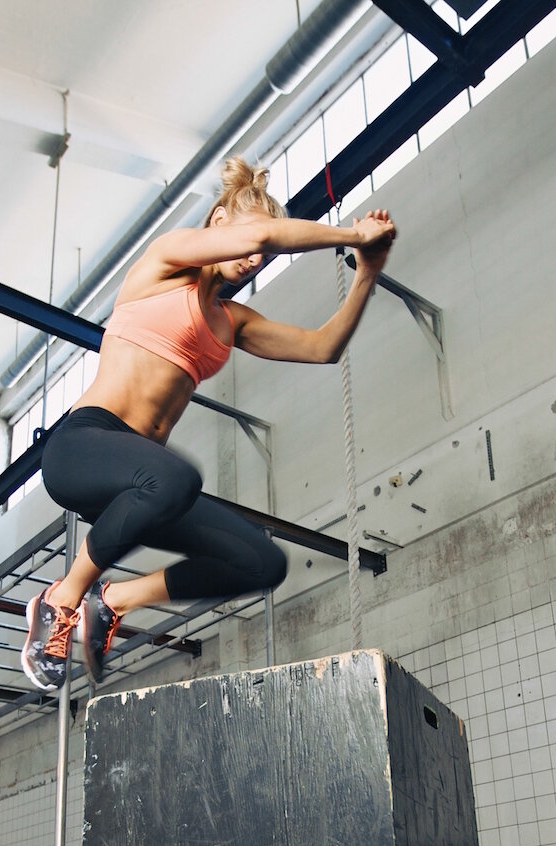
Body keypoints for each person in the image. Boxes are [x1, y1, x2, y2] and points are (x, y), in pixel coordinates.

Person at [20, 157, 397, 691]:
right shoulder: (166, 261)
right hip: (83, 449)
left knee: (261, 562)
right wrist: (351, 232)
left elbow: (323, 348)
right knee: (176, 477)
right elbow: (268, 231)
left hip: (144, 489)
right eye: (247, 242)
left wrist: (368, 271)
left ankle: (115, 601)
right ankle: (61, 599)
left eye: (263, 255)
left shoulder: (232, 320)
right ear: (218, 224)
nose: (254, 257)